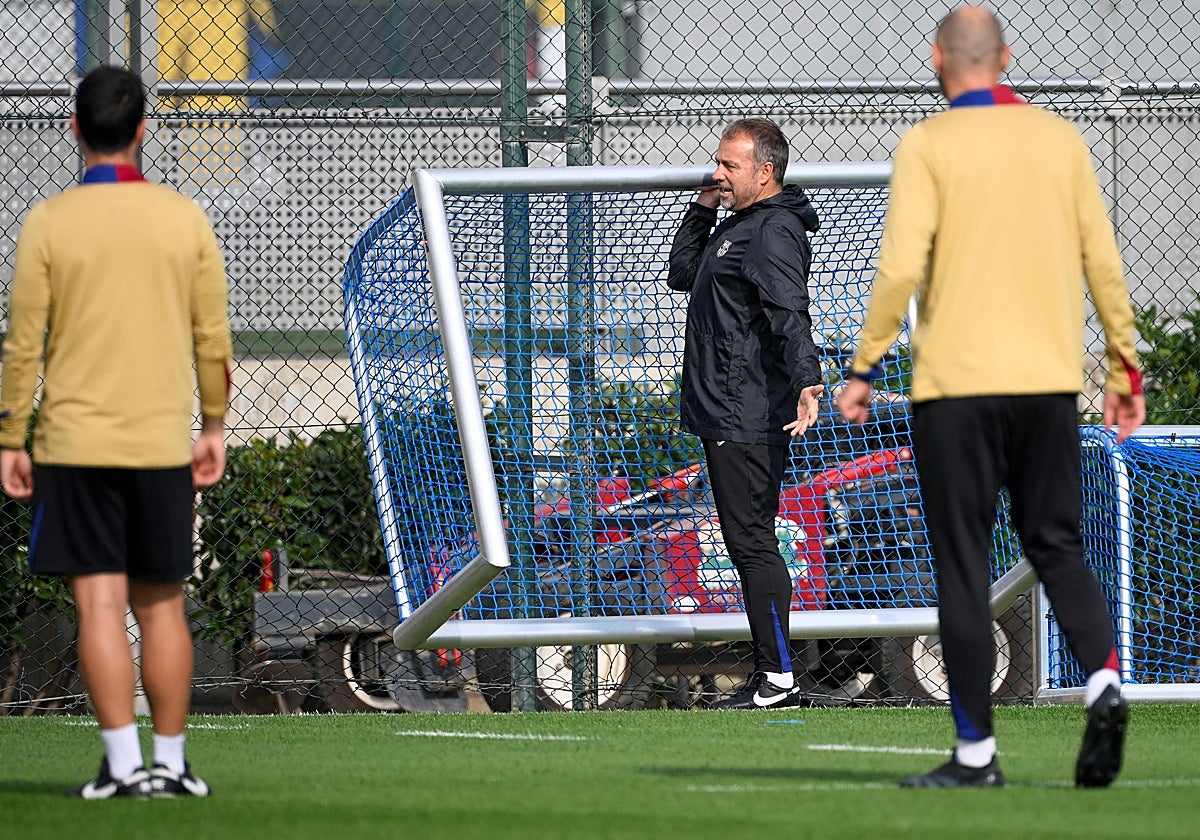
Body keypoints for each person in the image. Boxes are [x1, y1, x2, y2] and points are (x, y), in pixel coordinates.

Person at [835, 6, 1144, 788]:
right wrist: (1124, 367)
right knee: (1057, 546)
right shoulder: (1061, 140)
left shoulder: (928, 144)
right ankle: (1105, 681)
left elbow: (899, 267)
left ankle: (975, 754)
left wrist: (864, 367)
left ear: (937, 58)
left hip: (958, 389)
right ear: (1006, 58)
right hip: (1047, 384)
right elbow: (1103, 261)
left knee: (962, 565)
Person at [0, 66, 233, 798]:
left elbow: (23, 345)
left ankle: (123, 767)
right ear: (142, 130)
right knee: (161, 606)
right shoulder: (183, 219)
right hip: (160, 444)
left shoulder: (49, 222)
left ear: (75, 129)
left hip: (73, 446)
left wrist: (11, 436)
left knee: (98, 605)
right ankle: (172, 765)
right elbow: (212, 337)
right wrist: (213, 425)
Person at [667, 118, 825, 710]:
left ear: (765, 172)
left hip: (748, 413)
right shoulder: (738, 225)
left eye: (729, 166)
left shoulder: (772, 231)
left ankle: (777, 679)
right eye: (717, 163)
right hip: (724, 410)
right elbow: (683, 274)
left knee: (753, 543)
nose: (717, 173)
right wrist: (703, 207)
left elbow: (790, 312)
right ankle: (776, 676)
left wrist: (808, 379)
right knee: (747, 542)